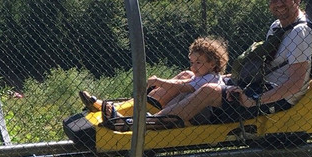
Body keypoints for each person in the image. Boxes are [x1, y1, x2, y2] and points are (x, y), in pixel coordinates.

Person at [137, 0, 312, 128]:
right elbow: (269, 66)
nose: (279, 3)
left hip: (275, 98)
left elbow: (296, 83)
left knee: (209, 90)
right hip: (259, 87)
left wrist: (255, 100)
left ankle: (152, 124)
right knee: (188, 75)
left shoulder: (300, 32)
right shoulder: (278, 27)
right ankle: (141, 110)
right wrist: (230, 79)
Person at [79, 36, 228, 121]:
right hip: (187, 108)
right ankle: (121, 109)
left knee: (183, 80)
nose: (194, 67)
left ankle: (146, 120)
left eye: (199, 63)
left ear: (212, 64)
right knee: (185, 74)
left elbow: (184, 86)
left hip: (199, 115)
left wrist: (159, 81)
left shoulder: (210, 80)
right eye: (192, 62)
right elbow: (185, 81)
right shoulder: (202, 76)